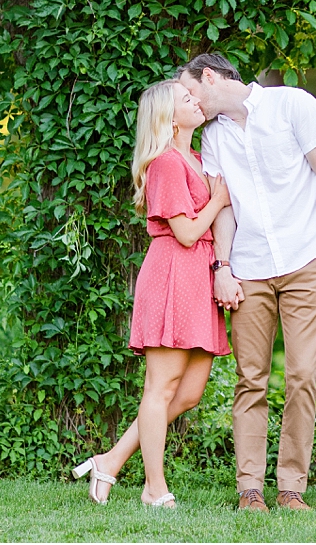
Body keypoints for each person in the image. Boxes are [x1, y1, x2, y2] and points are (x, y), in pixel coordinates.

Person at [178, 53, 316, 513]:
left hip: (306, 259)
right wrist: (223, 267)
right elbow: (224, 206)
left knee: (302, 376)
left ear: (209, 77)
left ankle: (291, 487)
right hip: (248, 270)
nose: (188, 102)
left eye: (189, 92)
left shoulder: (294, 105)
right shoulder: (213, 137)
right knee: (250, 379)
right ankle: (249, 488)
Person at [73, 79, 231, 509]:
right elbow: (186, 233)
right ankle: (154, 488)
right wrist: (218, 200)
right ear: (169, 118)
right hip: (173, 274)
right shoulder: (165, 163)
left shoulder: (196, 158)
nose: (196, 101)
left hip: (198, 278)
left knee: (189, 393)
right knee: (160, 389)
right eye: (186, 99)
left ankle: (110, 460)